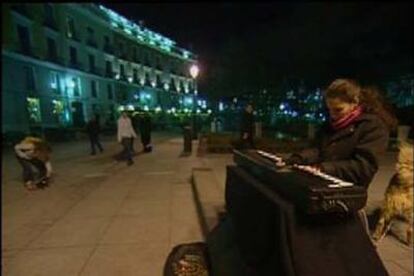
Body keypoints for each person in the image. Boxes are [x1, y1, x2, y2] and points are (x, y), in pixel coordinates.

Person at [286, 78, 398, 188]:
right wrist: (299, 158)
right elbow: (317, 149)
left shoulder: (372, 126)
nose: (333, 115)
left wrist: (324, 168)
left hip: (348, 190)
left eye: (338, 110)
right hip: (323, 181)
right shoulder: (331, 124)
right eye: (329, 110)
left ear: (355, 102)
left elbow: (364, 168)